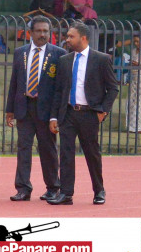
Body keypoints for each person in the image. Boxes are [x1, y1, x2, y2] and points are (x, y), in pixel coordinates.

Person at [49, 23, 119, 206]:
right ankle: (66, 193)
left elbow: (113, 88)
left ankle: (99, 190)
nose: (67, 39)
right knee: (65, 154)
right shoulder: (65, 60)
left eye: (71, 36)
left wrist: (103, 110)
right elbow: (59, 91)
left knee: (92, 154)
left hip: (90, 114)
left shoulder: (101, 59)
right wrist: (54, 116)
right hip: (68, 113)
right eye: (67, 36)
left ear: (84, 38)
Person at [6, 15, 65, 202]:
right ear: (30, 33)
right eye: (38, 31)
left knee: (48, 149)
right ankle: (23, 188)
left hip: (46, 111)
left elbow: (60, 87)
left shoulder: (59, 54)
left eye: (46, 31)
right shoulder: (20, 53)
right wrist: (10, 110)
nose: (42, 34)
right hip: (24, 107)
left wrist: (56, 114)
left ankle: (53, 187)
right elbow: (14, 82)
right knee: (23, 148)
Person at [126, 35, 141, 134]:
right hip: (134, 77)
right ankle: (132, 126)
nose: (136, 43)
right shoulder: (134, 50)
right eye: (135, 42)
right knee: (132, 101)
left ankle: (140, 127)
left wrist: (140, 65)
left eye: (138, 41)